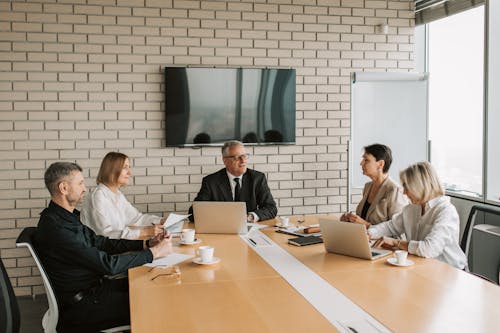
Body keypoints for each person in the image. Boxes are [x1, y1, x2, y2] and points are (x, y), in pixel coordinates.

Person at [33, 162, 173, 332]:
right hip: (82, 307)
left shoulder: (66, 218)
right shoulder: (56, 229)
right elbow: (108, 265)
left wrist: (146, 244)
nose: (84, 189)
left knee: (152, 285)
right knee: (156, 303)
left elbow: (101, 243)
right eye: (80, 183)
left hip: (96, 289)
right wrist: (153, 253)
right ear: (63, 187)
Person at [369, 161, 467, 270]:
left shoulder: (446, 211)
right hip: (422, 266)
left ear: (419, 185)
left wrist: (397, 242)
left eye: (407, 187)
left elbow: (429, 249)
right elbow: (391, 226)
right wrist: (368, 234)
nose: (404, 193)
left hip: (449, 272)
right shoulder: (412, 208)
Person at [81, 152, 164, 239]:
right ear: (112, 170)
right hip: (103, 251)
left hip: (117, 247)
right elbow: (105, 234)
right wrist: (144, 232)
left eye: (129, 167)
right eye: (125, 167)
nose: (129, 173)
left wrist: (161, 220)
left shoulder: (118, 195)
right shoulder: (97, 197)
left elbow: (137, 218)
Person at [189, 140, 277, 222]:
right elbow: (193, 214)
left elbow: (271, 208)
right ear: (225, 161)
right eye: (237, 157)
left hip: (249, 227)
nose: (243, 161)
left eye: (245, 156)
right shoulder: (210, 181)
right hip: (221, 229)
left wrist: (251, 216)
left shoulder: (257, 178)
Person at [340, 144, 407, 228]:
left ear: (380, 164)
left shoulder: (395, 190)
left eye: (366, 160)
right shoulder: (367, 187)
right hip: (362, 239)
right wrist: (350, 220)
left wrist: (366, 225)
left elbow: (398, 231)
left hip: (378, 241)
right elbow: (363, 219)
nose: (361, 163)